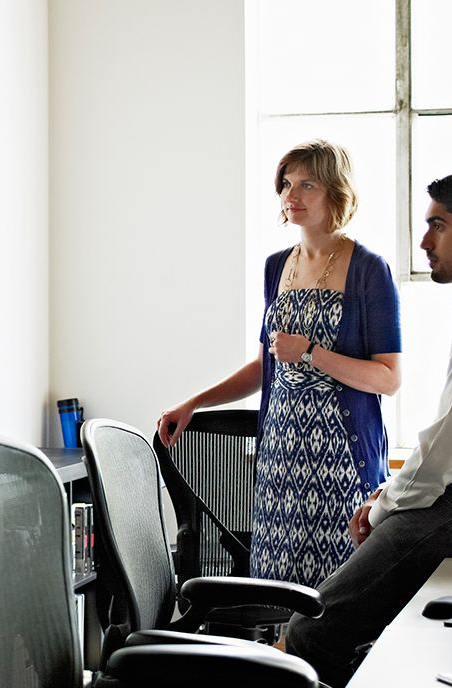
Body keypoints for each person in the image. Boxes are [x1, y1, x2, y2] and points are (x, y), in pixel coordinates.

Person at [286, 171, 452, 687]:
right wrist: (391, 495)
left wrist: (384, 506)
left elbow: (450, 442)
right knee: (359, 629)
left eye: (438, 226)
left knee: (310, 632)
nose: (425, 241)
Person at [157, 139, 401, 589]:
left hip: (342, 462)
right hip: (280, 460)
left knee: (339, 597)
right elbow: (264, 366)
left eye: (307, 184)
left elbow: (387, 378)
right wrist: (196, 402)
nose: (292, 195)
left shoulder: (369, 269)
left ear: (335, 190)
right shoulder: (276, 268)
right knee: (279, 590)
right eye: (286, 184)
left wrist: (312, 353)